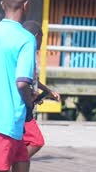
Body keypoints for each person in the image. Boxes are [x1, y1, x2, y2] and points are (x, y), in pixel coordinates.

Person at [0, 0, 36, 172]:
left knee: (22, 161)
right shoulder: (26, 38)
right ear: (26, 6)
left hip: (10, 124)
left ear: (2, 4)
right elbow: (22, 82)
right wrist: (30, 101)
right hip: (6, 120)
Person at [22, 20, 61, 158]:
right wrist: (30, 97)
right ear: (37, 36)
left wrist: (48, 91)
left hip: (26, 102)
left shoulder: (24, 51)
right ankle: (14, 162)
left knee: (20, 142)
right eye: (42, 38)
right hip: (23, 107)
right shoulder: (28, 53)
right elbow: (23, 81)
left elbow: (33, 80)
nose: (42, 43)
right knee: (36, 141)